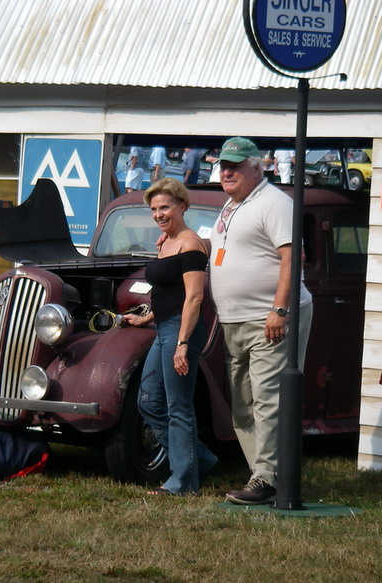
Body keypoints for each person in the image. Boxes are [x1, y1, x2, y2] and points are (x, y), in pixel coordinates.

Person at [208, 137, 312, 505]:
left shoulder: (275, 203)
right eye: (223, 165)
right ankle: (265, 475)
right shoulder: (231, 205)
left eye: (235, 165)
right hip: (235, 319)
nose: (226, 171)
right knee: (242, 402)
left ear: (258, 166)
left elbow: (291, 258)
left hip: (269, 317)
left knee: (267, 398)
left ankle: (267, 477)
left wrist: (280, 310)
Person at [124, 178, 218, 496]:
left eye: (165, 207)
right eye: (154, 209)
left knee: (179, 406)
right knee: (148, 401)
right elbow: (167, 291)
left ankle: (182, 481)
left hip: (181, 331)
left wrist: (181, 343)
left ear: (182, 206)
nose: (159, 214)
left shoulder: (191, 244)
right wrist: (146, 316)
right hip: (163, 328)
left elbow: (193, 298)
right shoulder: (166, 243)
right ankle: (198, 459)